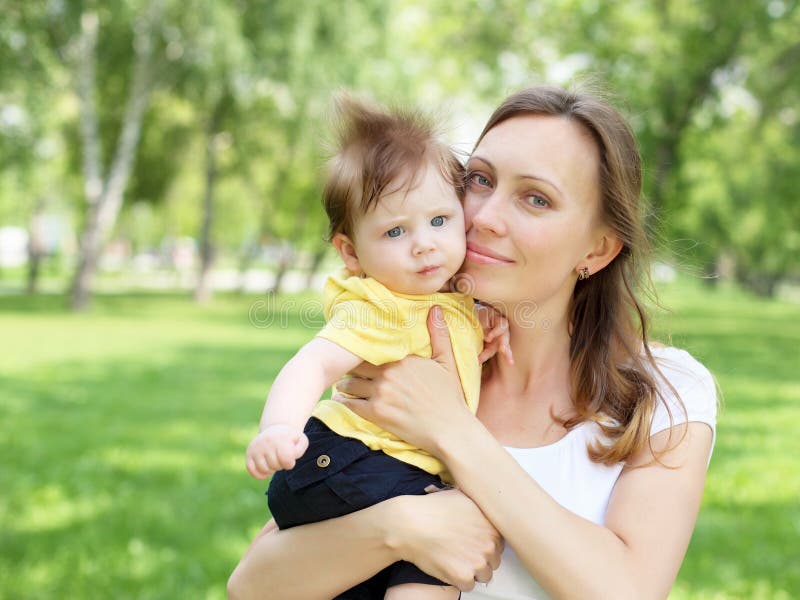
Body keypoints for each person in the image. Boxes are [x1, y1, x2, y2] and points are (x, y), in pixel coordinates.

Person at [228, 85, 717, 600]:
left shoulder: (666, 393)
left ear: (597, 249)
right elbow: (253, 585)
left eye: (536, 198)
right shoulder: (407, 352)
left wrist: (451, 428)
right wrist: (397, 527)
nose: (483, 216)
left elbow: (627, 592)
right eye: (479, 180)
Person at [244, 96, 512, 600]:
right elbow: (314, 362)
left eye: (439, 220)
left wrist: (479, 334)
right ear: (351, 253)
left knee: (423, 567)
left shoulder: (443, 299)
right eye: (395, 231)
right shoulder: (379, 305)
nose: (424, 243)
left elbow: (437, 356)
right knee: (448, 542)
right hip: (348, 460)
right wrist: (278, 428)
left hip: (381, 472)